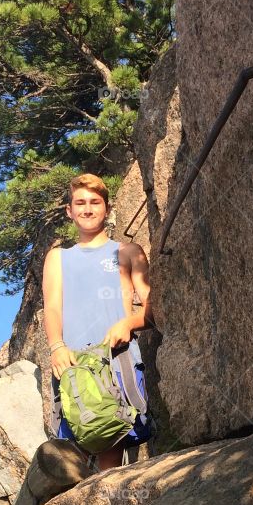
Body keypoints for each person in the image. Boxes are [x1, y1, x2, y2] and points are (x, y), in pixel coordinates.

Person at [42, 173, 153, 471]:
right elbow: (52, 307)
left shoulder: (127, 252)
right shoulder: (57, 258)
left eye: (95, 202)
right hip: (73, 364)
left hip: (115, 361)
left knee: (111, 447)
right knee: (74, 452)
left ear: (107, 208)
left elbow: (155, 307)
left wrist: (128, 323)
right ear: (69, 210)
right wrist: (56, 346)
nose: (87, 209)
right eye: (80, 203)